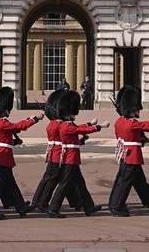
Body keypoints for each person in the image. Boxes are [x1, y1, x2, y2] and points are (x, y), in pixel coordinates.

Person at [0, 86, 42, 219]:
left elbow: (6, 136)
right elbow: (18, 126)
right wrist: (35, 119)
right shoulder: (3, 122)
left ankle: (21, 207)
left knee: (10, 183)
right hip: (1, 156)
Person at [108, 85, 149, 216]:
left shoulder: (120, 121)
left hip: (125, 153)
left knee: (139, 181)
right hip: (132, 155)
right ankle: (116, 206)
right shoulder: (132, 123)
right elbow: (147, 125)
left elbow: (139, 129)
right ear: (132, 109)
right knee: (125, 182)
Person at [47, 89, 107, 218]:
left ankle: (88, 207)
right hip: (69, 159)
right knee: (64, 184)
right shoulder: (66, 126)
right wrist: (99, 127)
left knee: (80, 183)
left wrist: (90, 123)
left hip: (72, 158)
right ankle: (53, 208)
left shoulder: (66, 124)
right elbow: (79, 129)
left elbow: (78, 128)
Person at [28, 89, 84, 214]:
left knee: (68, 179)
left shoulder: (58, 123)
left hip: (63, 153)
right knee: (56, 178)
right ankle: (41, 202)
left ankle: (77, 202)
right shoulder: (59, 124)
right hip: (61, 154)